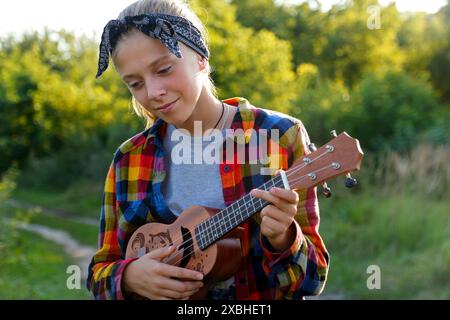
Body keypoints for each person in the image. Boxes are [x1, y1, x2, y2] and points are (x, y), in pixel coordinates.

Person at [87, 0, 329, 300]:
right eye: (135, 84)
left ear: (200, 58)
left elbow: (312, 281)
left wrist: (283, 239)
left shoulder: (277, 136)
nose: (152, 92)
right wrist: (131, 277)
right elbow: (99, 276)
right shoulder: (129, 159)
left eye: (163, 69)